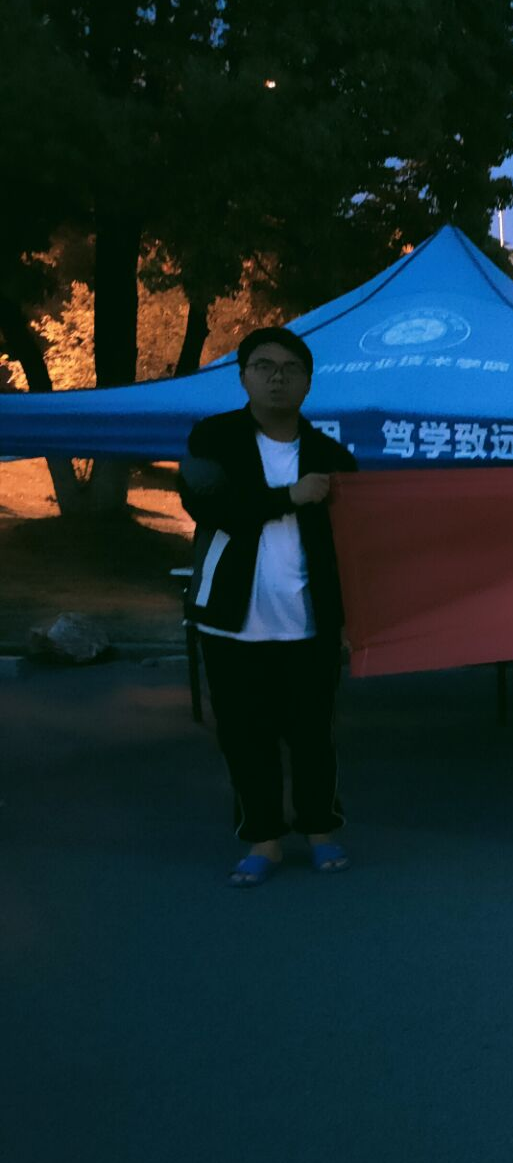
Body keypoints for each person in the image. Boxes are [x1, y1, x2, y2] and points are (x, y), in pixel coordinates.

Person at [182, 325, 358, 888]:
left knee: (313, 736)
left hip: (309, 624)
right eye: (265, 367)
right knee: (244, 736)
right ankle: (263, 839)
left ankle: (321, 830)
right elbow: (208, 504)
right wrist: (289, 496)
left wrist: (349, 619)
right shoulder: (214, 437)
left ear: (308, 382)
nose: (277, 378)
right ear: (244, 377)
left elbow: (353, 544)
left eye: (290, 369)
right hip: (231, 621)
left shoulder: (331, 456)